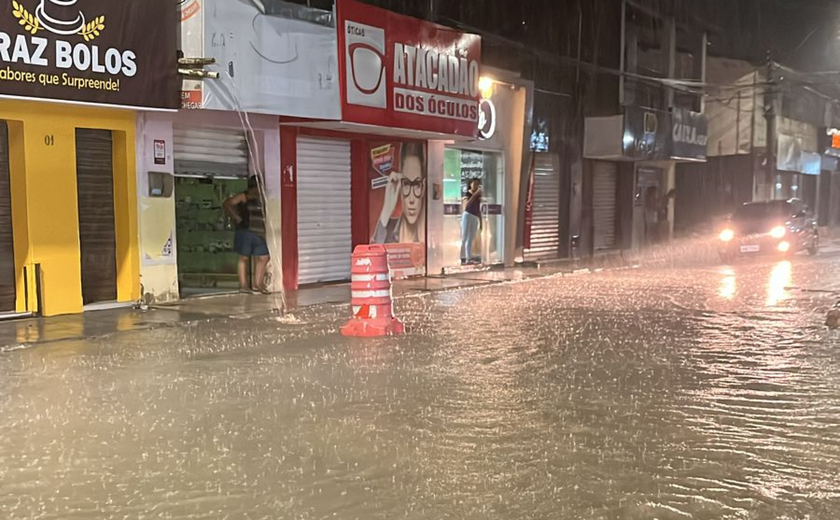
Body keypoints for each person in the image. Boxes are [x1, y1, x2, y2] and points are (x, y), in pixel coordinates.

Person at [223, 176, 270, 294]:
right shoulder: (243, 196)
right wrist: (236, 217)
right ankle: (243, 285)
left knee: (264, 257)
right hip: (245, 230)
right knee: (244, 257)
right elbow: (227, 203)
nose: (259, 190)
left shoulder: (261, 198)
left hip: (259, 232)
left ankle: (258, 285)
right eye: (257, 187)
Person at [372, 143, 426, 244]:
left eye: (416, 185)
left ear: (423, 186)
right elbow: (374, 254)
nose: (411, 199)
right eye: (406, 184)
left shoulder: (431, 232)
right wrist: (387, 208)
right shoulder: (388, 227)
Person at [461, 178, 482, 264]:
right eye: (474, 184)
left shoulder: (479, 197)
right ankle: (462, 256)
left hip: (475, 216)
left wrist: (480, 222)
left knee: (471, 238)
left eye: (477, 184)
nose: (476, 186)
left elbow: (478, 209)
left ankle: (468, 257)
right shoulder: (468, 194)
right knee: (464, 236)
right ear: (470, 184)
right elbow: (467, 205)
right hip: (467, 215)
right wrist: (475, 195)